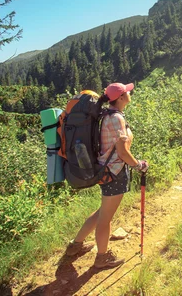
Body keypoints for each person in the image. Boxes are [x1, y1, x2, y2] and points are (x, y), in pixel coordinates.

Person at [64, 82, 149, 269]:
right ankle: (101, 258)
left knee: (102, 211)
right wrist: (139, 165)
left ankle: (75, 246)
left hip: (106, 170)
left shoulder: (107, 115)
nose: (129, 93)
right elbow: (123, 152)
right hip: (114, 173)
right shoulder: (116, 118)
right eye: (127, 92)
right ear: (120, 98)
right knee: (105, 219)